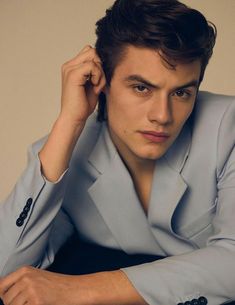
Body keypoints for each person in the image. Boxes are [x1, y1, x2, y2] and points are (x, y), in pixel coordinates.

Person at [0, 0, 235, 304]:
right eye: (142, 88)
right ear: (103, 82)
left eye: (181, 93)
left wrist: (82, 289)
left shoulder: (228, 127)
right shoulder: (67, 153)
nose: (162, 116)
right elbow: (8, 274)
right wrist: (69, 122)